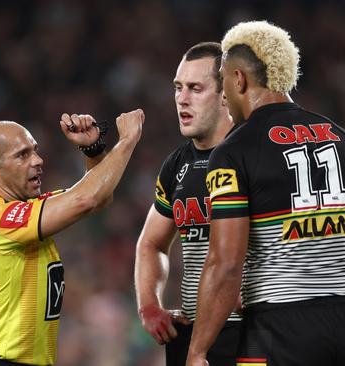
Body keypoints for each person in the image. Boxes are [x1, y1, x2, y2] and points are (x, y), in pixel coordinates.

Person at [186, 21, 345, 366]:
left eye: (223, 81)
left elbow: (226, 264)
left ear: (239, 79)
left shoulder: (233, 153)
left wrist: (198, 350)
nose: (222, 95)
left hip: (278, 329)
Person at [0, 109, 144, 366]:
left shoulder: (24, 209)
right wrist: (127, 141)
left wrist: (93, 150)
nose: (37, 160)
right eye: (23, 154)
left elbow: (99, 198)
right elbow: (86, 199)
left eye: (34, 150)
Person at [134, 42, 239, 366]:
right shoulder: (176, 165)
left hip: (253, 332)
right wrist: (149, 305)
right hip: (193, 333)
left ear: (226, 94)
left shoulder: (256, 152)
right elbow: (151, 244)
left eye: (195, 88)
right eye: (178, 88)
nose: (182, 98)